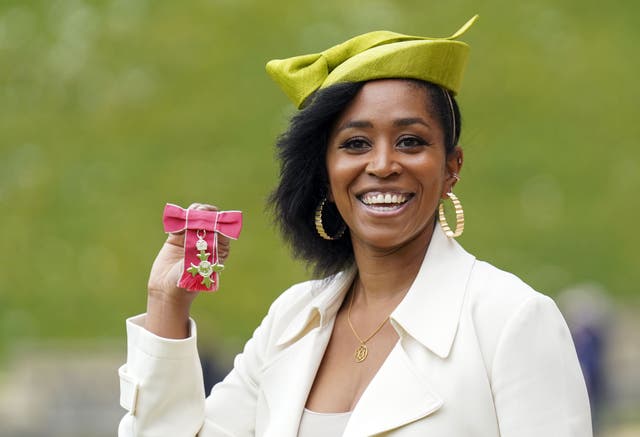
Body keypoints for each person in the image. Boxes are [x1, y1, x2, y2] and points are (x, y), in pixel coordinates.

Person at [118, 16, 592, 436]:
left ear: (452, 166)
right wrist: (166, 303)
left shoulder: (512, 321)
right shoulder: (292, 321)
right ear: (324, 171)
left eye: (410, 141)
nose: (383, 164)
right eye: (355, 144)